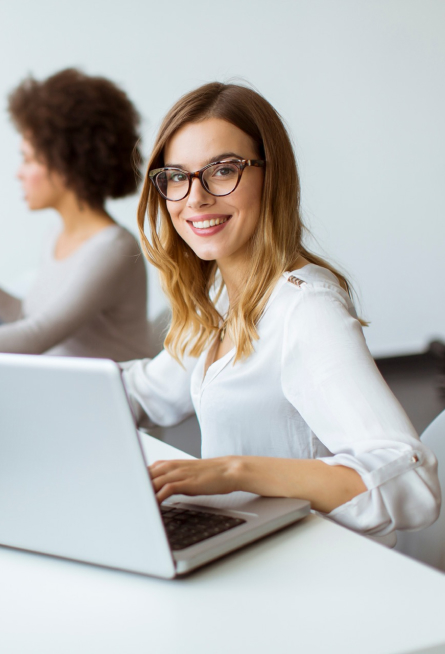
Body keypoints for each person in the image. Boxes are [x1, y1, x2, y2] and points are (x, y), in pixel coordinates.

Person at [121, 82, 440, 542]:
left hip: (308, 563)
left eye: (223, 170)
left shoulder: (306, 309)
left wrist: (235, 470)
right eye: (176, 176)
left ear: (272, 177)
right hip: (243, 542)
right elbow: (147, 392)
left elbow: (413, 482)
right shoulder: (224, 301)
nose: (195, 198)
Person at [0, 68, 151, 361]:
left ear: (66, 165)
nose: (19, 173)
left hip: (109, 403)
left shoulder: (113, 248)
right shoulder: (56, 235)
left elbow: (35, 337)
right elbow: (29, 317)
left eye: (28, 159)